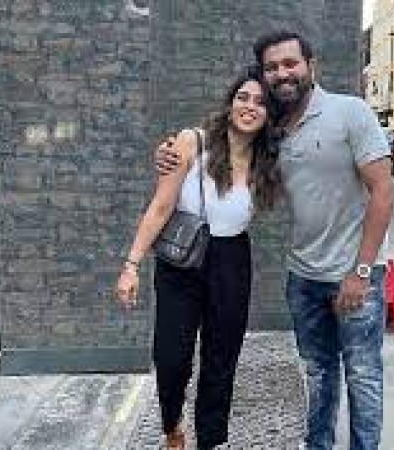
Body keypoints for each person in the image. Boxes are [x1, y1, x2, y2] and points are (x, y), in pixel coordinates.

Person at [156, 31, 394, 450]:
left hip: (356, 273)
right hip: (304, 275)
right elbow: (221, 146)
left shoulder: (351, 112)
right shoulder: (272, 134)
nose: (282, 73)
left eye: (290, 63)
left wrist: (361, 271)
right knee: (318, 372)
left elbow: (384, 192)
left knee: (362, 376)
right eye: (272, 68)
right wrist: (169, 153)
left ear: (310, 66)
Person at [116, 69, 281, 450]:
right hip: (183, 259)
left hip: (232, 259)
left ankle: (211, 440)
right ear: (230, 102)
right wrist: (131, 266)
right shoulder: (193, 141)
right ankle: (172, 425)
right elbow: (160, 207)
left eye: (260, 102)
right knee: (171, 356)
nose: (250, 107)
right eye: (243, 97)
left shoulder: (268, 160)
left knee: (221, 358)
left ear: (269, 114)